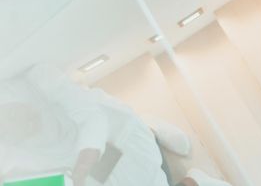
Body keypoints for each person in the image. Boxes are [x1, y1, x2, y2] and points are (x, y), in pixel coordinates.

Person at [0, 64, 231, 186]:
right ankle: (197, 179)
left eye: (13, 116)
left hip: (111, 135)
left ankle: (151, 130)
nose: (23, 122)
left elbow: (92, 117)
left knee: (139, 169)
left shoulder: (39, 79)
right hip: (82, 165)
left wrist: (82, 167)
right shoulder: (12, 158)